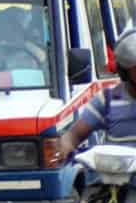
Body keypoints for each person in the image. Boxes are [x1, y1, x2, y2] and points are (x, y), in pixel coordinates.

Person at [57, 29, 136, 160]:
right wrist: (65, 144)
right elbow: (74, 135)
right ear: (124, 72)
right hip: (118, 178)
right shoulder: (107, 99)